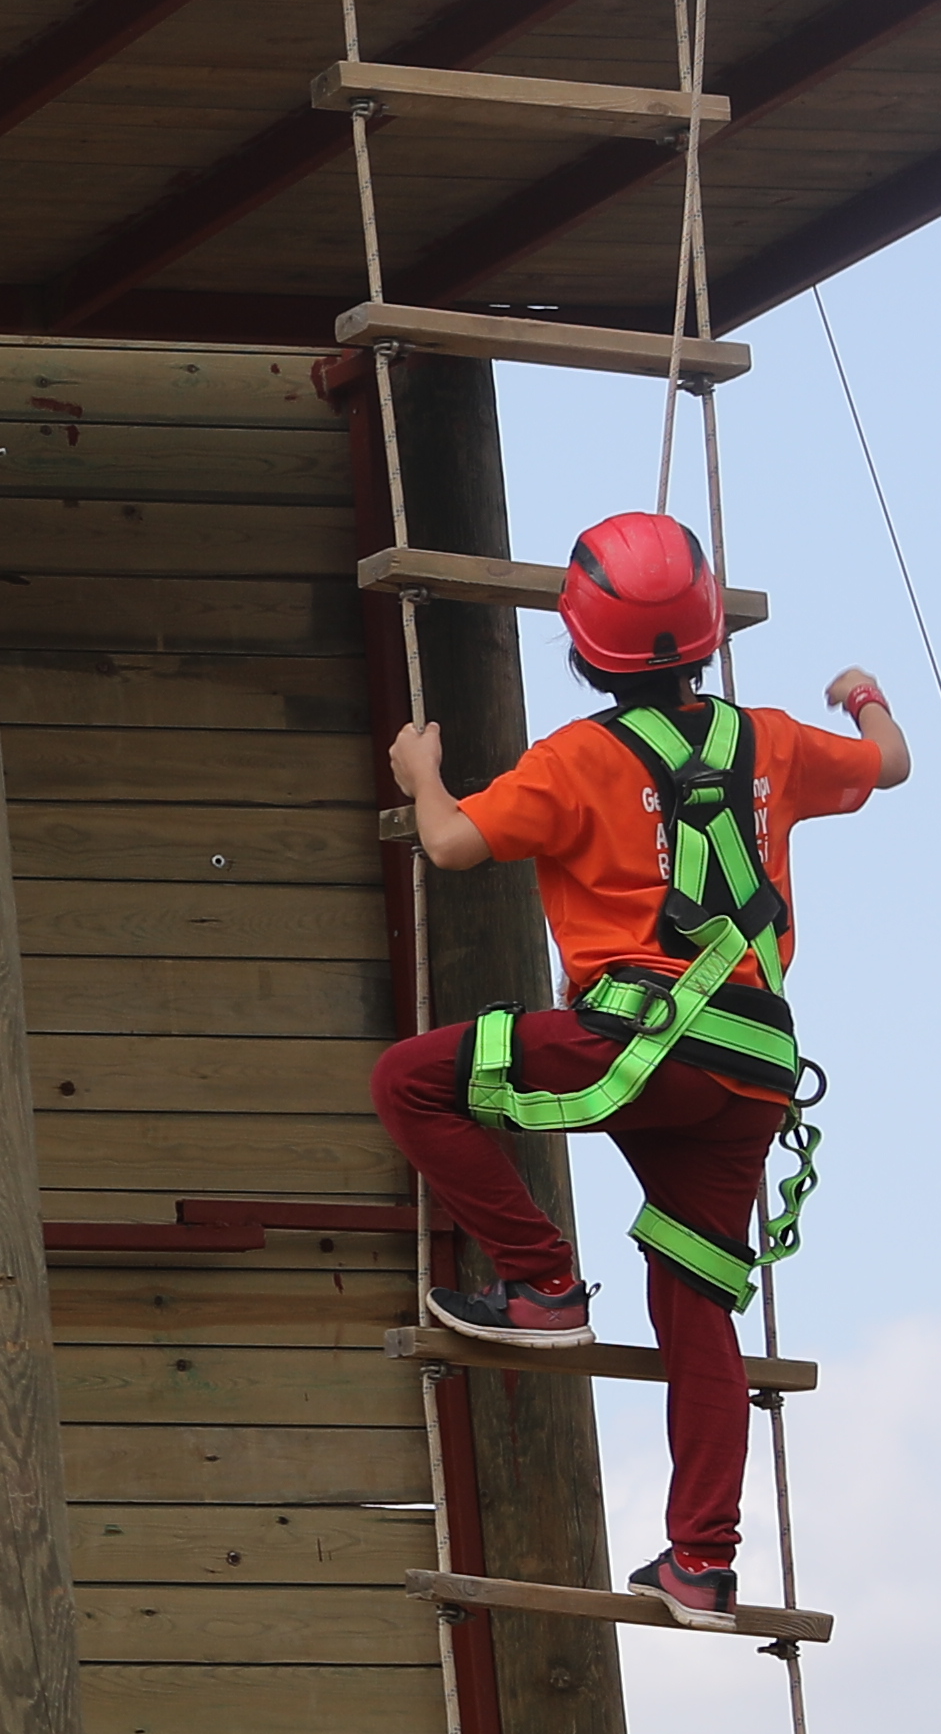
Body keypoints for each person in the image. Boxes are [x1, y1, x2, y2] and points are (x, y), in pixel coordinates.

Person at [371, 512, 912, 1627]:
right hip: (754, 1066)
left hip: (639, 1042)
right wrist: (861, 694)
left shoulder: (577, 760)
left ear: (580, 645)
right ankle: (700, 1563)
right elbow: (892, 764)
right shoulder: (776, 741)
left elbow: (455, 845)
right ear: (709, 634)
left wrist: (423, 772)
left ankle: (542, 1282)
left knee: (412, 1081)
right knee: (694, 1303)